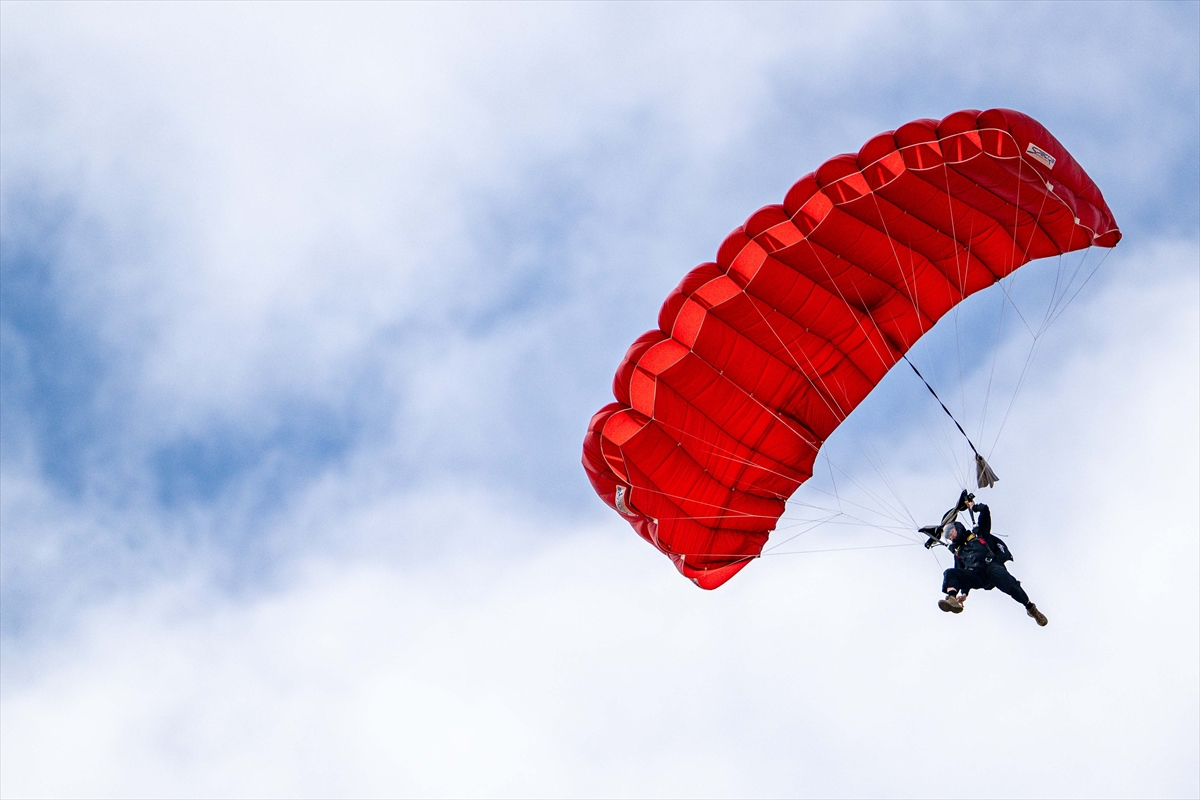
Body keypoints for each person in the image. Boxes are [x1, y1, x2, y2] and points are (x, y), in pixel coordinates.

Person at [938, 498, 1048, 626]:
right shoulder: (959, 553)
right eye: (948, 536)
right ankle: (952, 599)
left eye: (951, 531)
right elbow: (960, 572)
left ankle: (1031, 609)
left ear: (958, 528)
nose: (951, 536)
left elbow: (985, 511)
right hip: (978, 576)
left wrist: (974, 507)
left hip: (991, 567)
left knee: (1011, 586)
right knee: (950, 573)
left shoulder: (979, 535)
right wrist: (964, 593)